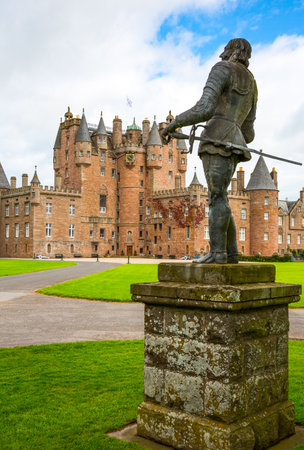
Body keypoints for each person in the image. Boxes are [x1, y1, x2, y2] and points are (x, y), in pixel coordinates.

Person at [162, 38, 258, 264]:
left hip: (216, 139)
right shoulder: (252, 82)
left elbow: (204, 107)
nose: (222, 55)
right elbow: (249, 131)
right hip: (234, 142)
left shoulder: (222, 69)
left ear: (230, 51)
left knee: (216, 197)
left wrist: (175, 123)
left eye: (224, 51)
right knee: (221, 195)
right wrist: (233, 131)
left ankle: (217, 254)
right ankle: (231, 252)